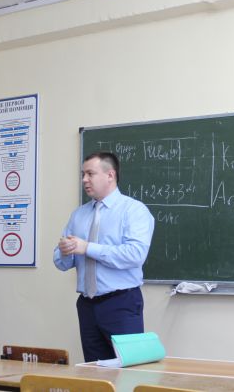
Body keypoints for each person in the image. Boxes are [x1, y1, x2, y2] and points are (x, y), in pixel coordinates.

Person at [54, 151, 155, 362]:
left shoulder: (133, 210)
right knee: (95, 370)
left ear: (110, 175)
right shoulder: (79, 214)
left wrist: (87, 248)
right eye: (83, 174)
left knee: (131, 366)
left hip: (121, 302)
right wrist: (65, 251)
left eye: (90, 174)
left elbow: (135, 254)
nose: (84, 180)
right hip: (87, 305)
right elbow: (62, 263)